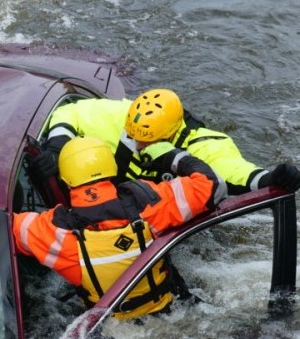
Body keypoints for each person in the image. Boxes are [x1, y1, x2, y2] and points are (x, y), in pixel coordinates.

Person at [13, 135, 227, 320]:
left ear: (67, 181)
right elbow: (214, 185)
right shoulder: (151, 202)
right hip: (173, 313)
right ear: (112, 168)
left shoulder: (53, 230)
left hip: (112, 330)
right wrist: (173, 156)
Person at [30, 89, 300, 196]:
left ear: (170, 135)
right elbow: (71, 110)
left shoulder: (205, 145)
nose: (138, 147)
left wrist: (271, 178)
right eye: (135, 138)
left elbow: (237, 174)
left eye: (147, 142)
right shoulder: (125, 116)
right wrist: (57, 147)